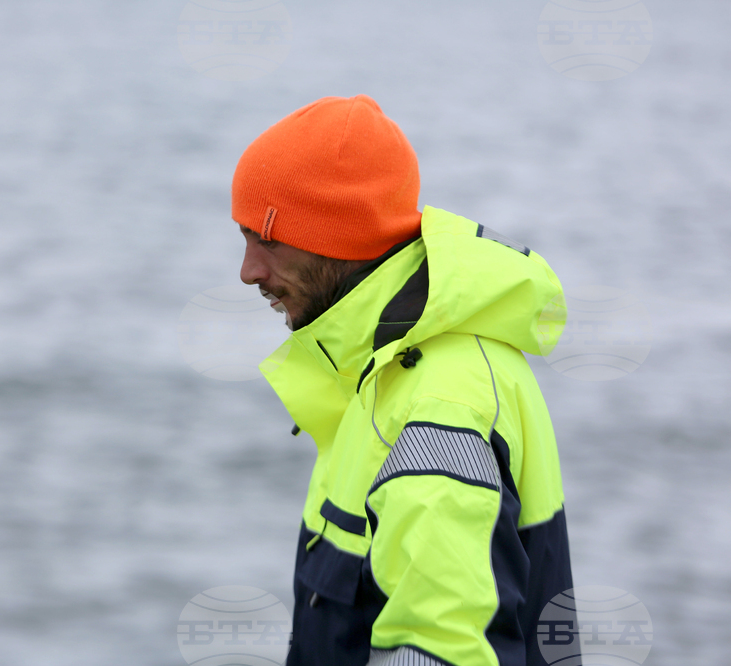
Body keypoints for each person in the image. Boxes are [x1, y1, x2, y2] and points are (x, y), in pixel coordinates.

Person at [231, 95, 574, 666]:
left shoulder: (438, 404)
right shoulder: (381, 367)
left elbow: (441, 649)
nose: (248, 272)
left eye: (267, 238)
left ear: (338, 237)